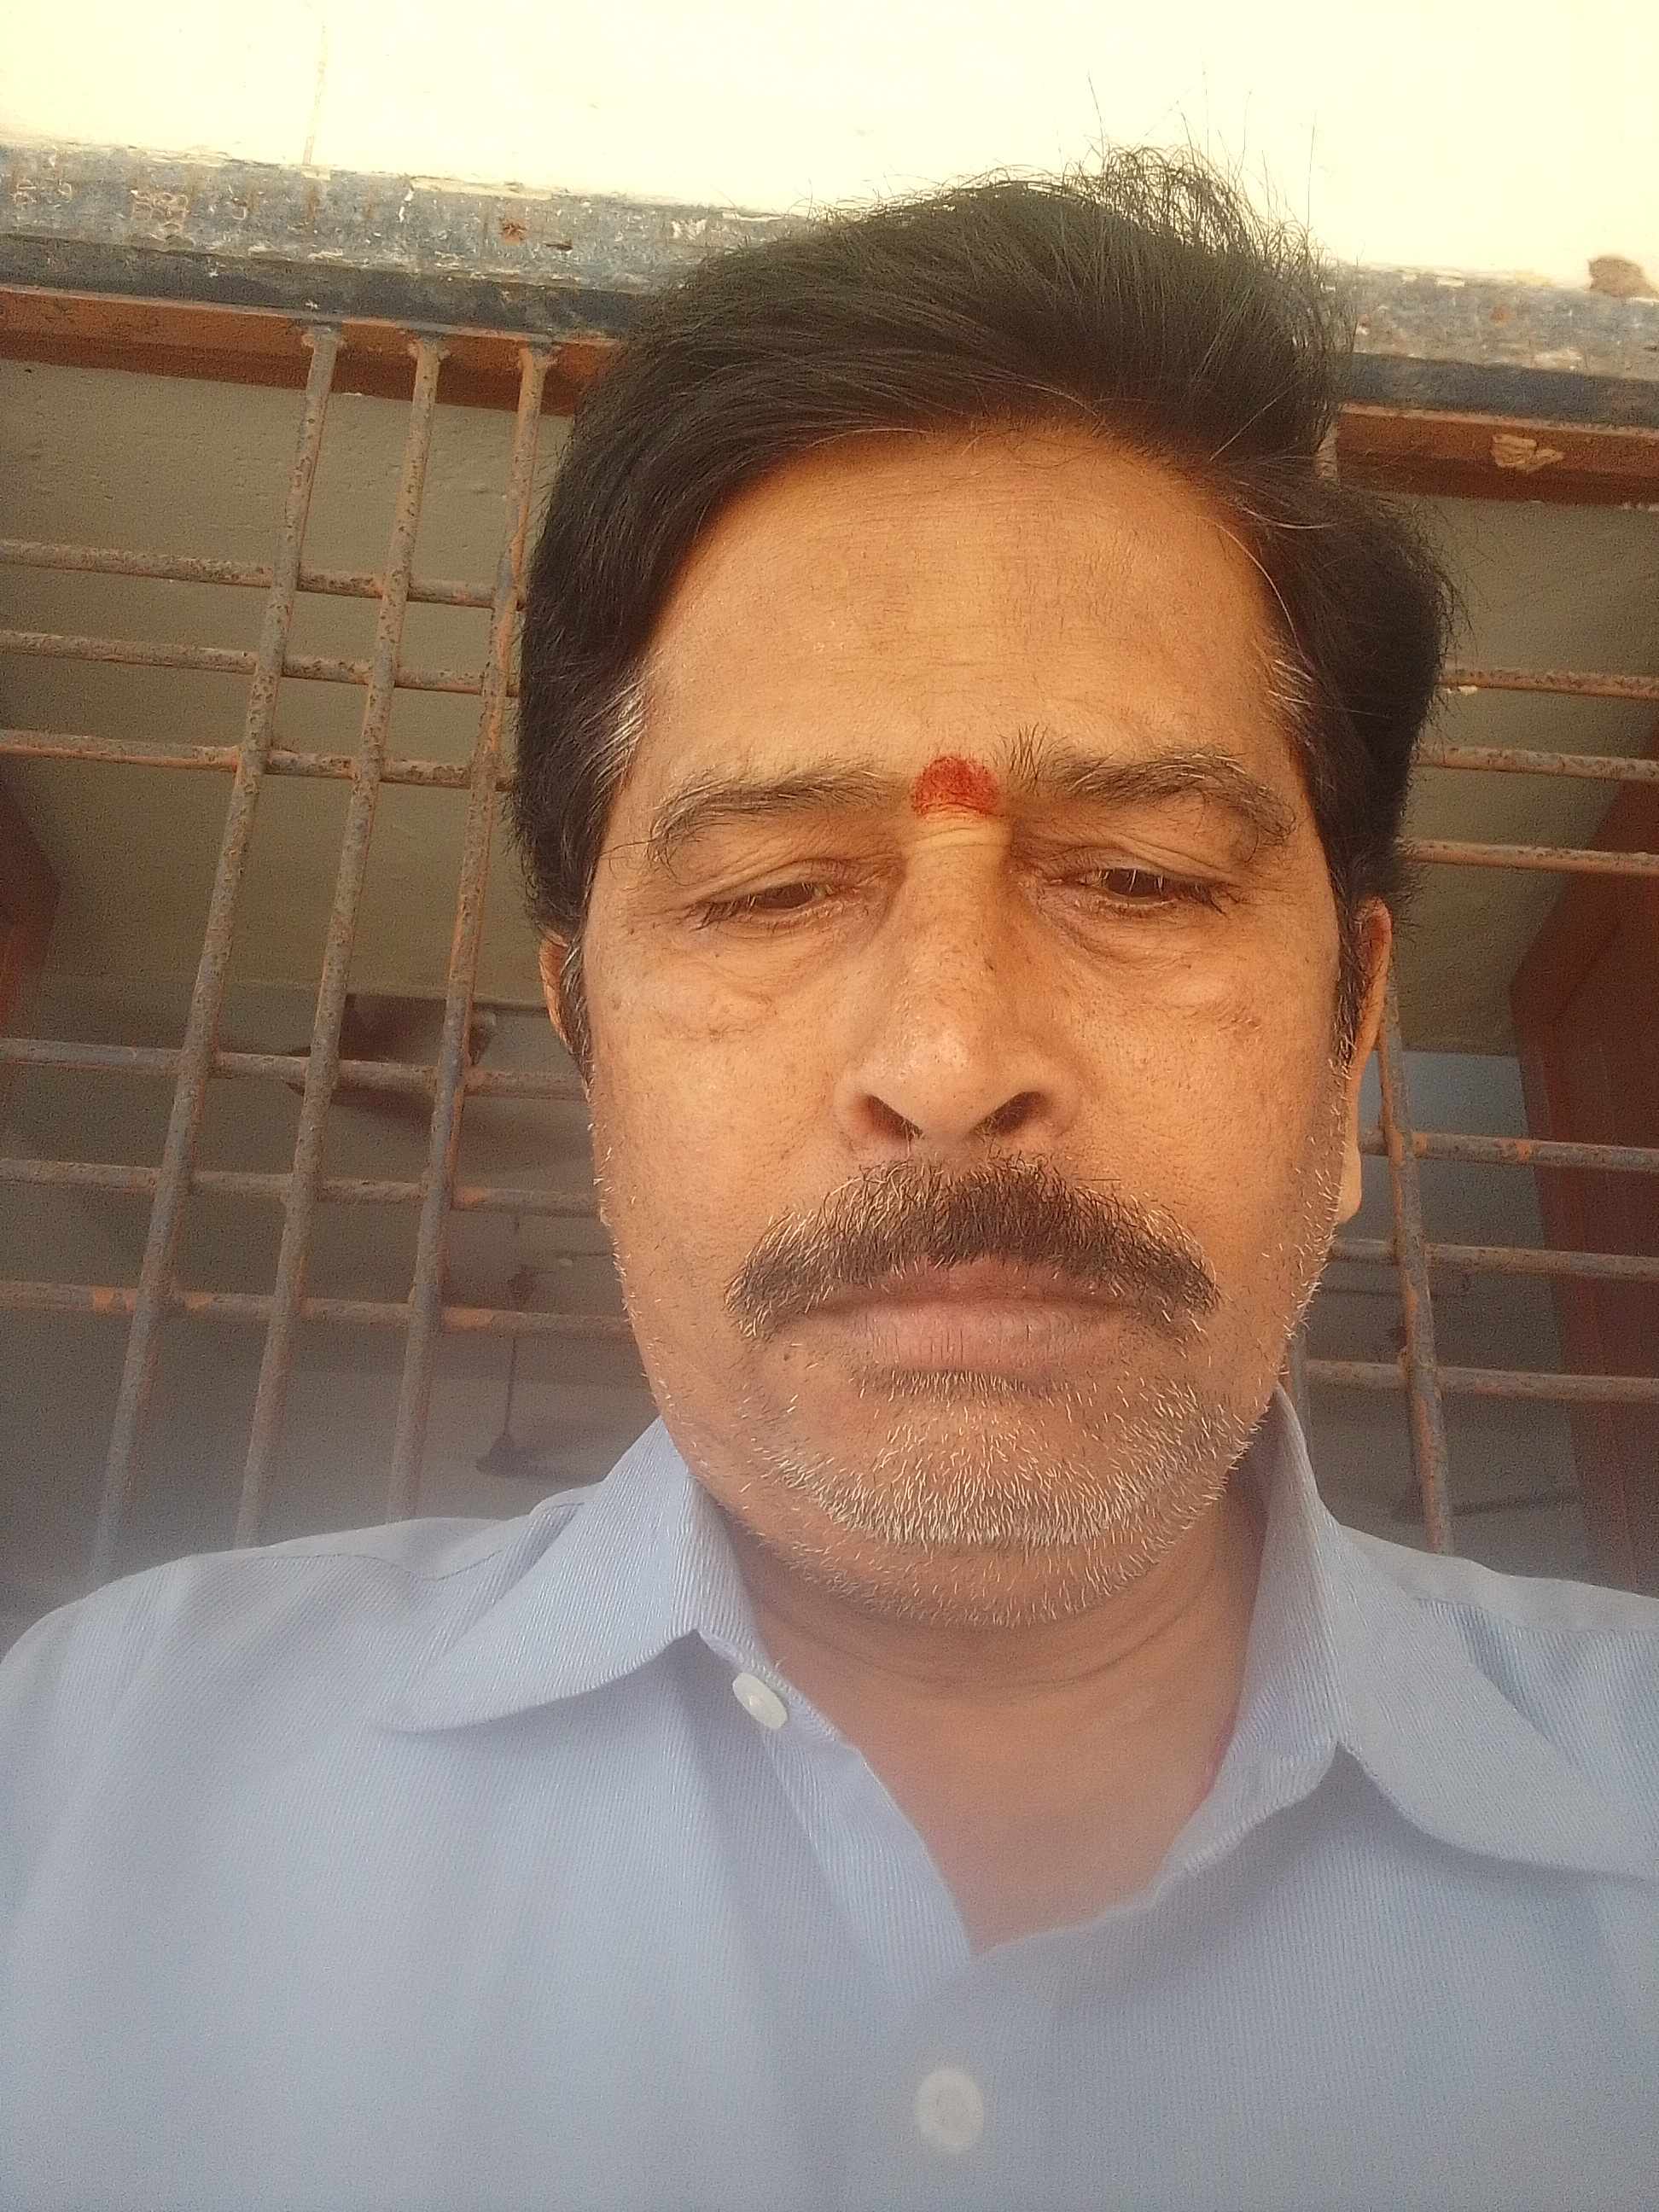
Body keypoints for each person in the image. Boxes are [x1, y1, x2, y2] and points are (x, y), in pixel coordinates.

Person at [3, 152, 1655, 2212]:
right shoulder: (83, 1795)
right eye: (772, 892)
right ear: (589, 1048)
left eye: (1140, 878)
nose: (949, 1063)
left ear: (1353, 1035)